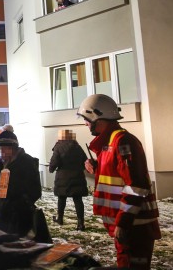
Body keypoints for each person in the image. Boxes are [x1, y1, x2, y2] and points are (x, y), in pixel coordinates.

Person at [78, 94, 161, 270]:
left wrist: (123, 223)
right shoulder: (110, 142)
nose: (85, 123)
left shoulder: (122, 142)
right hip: (128, 223)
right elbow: (118, 177)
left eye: (86, 119)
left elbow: (136, 186)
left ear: (96, 116)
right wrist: (97, 168)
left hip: (135, 225)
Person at [0, 130, 42, 236]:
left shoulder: (27, 162)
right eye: (0, 148)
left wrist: (23, 203)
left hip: (21, 215)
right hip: (3, 213)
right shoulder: (1, 165)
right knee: (0, 242)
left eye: (4, 148)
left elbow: (35, 190)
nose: (2, 152)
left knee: (19, 245)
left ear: (12, 148)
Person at [48, 129, 88, 231]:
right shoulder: (77, 146)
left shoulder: (59, 146)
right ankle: (80, 223)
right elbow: (85, 160)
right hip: (77, 175)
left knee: (61, 198)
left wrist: (51, 168)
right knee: (78, 200)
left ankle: (60, 218)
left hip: (63, 176)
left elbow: (54, 160)